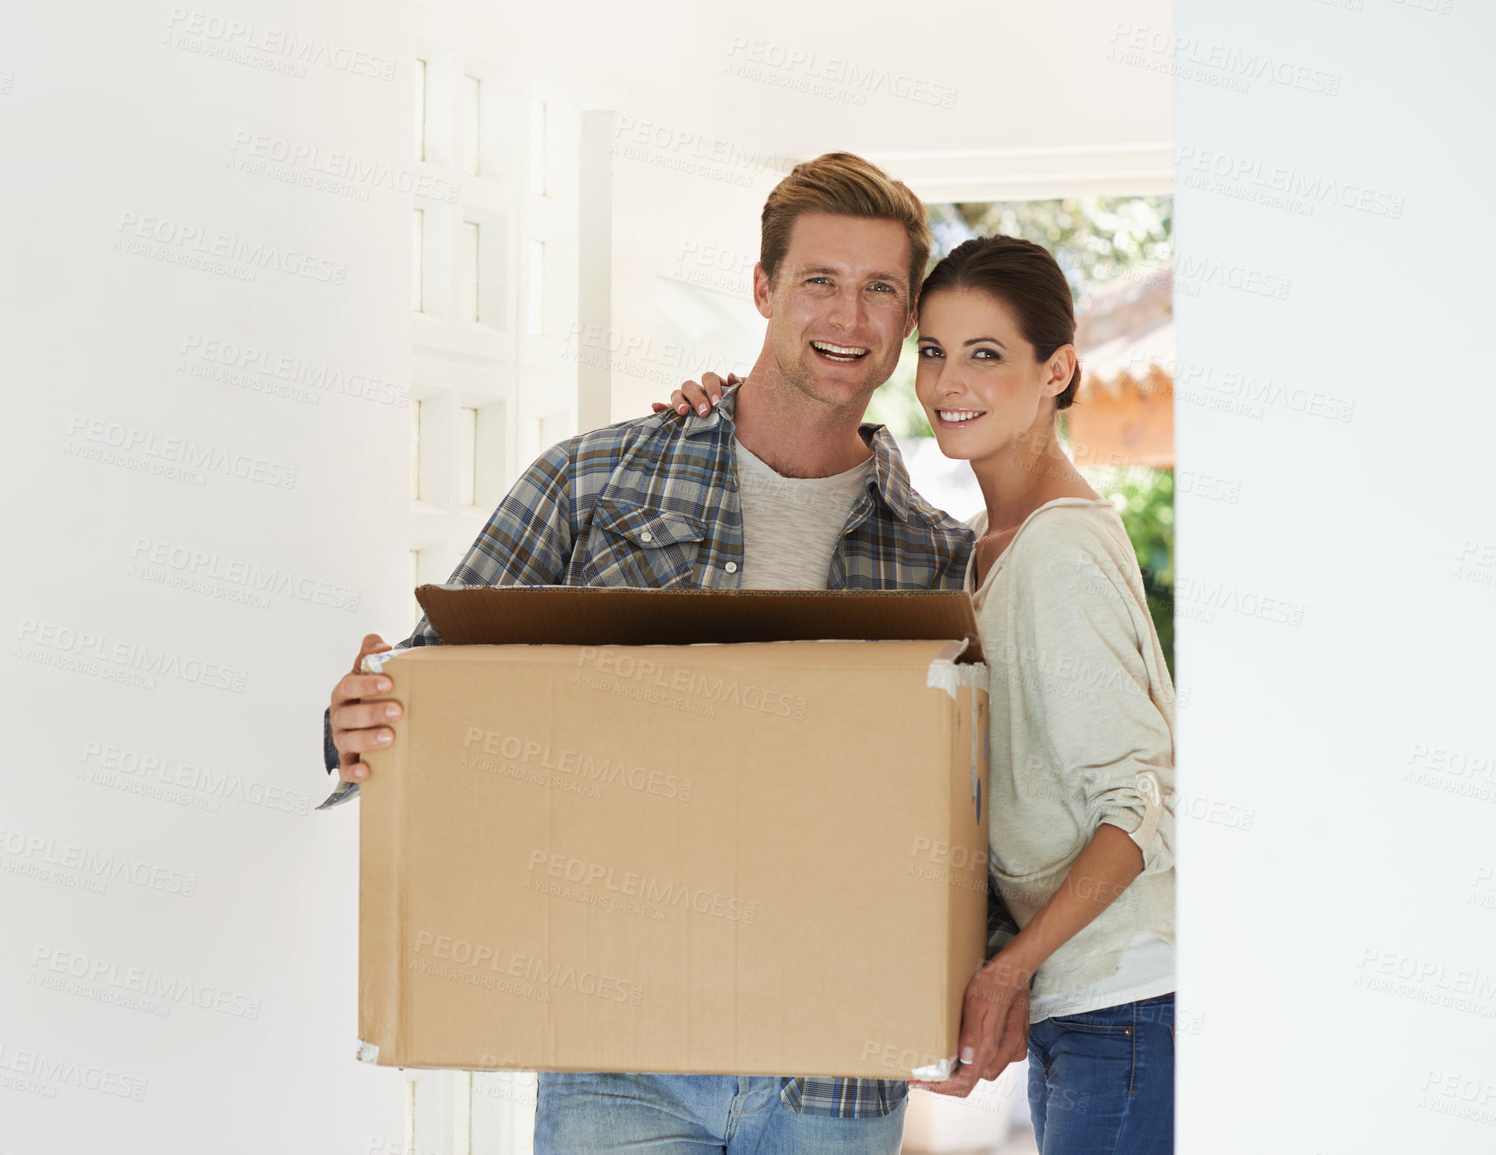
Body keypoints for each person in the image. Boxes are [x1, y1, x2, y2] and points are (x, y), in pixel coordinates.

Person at [324, 153, 1028, 1154]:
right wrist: (352, 724)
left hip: (836, 1075)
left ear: (908, 319)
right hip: (622, 1058)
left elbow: (982, 803)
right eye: (820, 280)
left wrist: (991, 973)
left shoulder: (939, 559)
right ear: (762, 289)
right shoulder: (594, 483)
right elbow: (431, 685)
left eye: (881, 290)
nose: (850, 316)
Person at [665, 234, 1178, 1153]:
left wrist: (1004, 972)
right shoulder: (985, 548)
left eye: (987, 355)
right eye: (935, 351)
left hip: (1128, 1006)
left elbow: (1141, 808)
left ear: (1055, 368)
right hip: (1092, 1008)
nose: (949, 382)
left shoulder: (1058, 548)